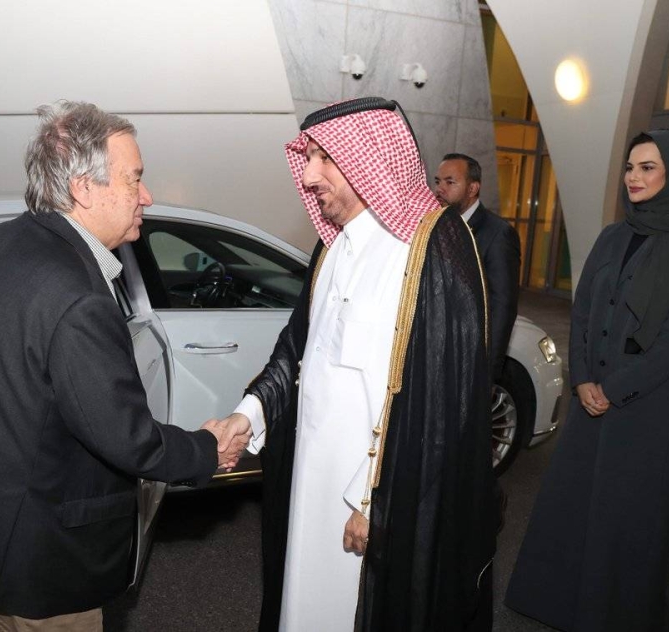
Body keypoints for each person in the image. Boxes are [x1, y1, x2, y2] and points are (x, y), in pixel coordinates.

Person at [0, 101, 247, 630]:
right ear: (84, 188)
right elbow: (129, 439)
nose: (147, 196)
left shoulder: (4, 242)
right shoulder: (77, 297)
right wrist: (209, 448)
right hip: (35, 565)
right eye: (134, 179)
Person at [213, 97, 497, 631]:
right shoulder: (332, 248)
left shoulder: (432, 246)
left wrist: (375, 499)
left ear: (369, 157)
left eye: (325, 157)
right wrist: (247, 416)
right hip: (309, 479)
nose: (311, 174)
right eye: (309, 157)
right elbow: (296, 350)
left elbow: (442, 402)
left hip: (377, 495)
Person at [504, 129, 669, 631]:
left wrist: (616, 388)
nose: (634, 177)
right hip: (591, 396)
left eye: (647, 167)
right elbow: (582, 312)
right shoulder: (614, 235)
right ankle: (556, 604)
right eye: (630, 167)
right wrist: (581, 378)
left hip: (646, 407)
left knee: (628, 516)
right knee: (574, 505)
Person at [435, 153, 521, 377]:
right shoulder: (435, 225)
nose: (440, 189)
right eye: (438, 181)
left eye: (450, 182)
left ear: (473, 188)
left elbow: (502, 307)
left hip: (468, 362)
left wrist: (487, 373)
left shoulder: (498, 234)